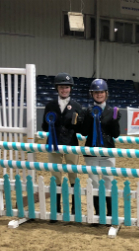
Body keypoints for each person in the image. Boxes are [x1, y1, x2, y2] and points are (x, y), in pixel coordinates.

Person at [41, 73, 83, 221]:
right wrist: (50, 123)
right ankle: (55, 210)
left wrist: (78, 123)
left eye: (66, 87)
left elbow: (81, 130)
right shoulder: (50, 105)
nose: (64, 90)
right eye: (61, 87)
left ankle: (75, 209)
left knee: (73, 176)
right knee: (55, 177)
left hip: (71, 145)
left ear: (70, 89)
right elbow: (44, 127)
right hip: (53, 144)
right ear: (57, 88)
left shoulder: (77, 106)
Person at [80, 79, 121, 218]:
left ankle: (110, 214)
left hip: (107, 150)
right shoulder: (87, 111)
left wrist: (115, 120)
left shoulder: (112, 111)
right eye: (96, 92)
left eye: (101, 92)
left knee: (108, 181)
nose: (99, 94)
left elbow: (116, 134)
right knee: (94, 182)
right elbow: (84, 132)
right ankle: (98, 213)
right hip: (91, 151)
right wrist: (87, 117)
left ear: (106, 93)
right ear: (92, 94)